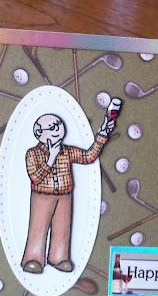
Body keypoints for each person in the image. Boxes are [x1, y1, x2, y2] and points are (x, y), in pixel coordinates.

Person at [21, 112, 115, 274]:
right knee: (38, 227)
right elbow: (35, 177)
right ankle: (33, 259)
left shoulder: (67, 151)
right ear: (39, 133)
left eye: (58, 125)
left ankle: (58, 258)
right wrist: (51, 158)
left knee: (62, 227)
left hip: (65, 195)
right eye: (52, 127)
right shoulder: (33, 153)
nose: (57, 129)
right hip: (42, 196)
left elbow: (88, 156)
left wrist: (103, 133)